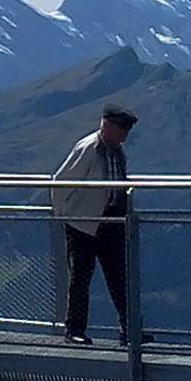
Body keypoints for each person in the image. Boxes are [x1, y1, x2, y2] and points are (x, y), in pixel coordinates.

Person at [51, 104, 140, 346]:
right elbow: (61, 182)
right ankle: (74, 330)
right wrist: (65, 215)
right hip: (84, 223)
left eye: (127, 130)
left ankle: (130, 330)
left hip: (110, 221)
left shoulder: (116, 151)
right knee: (81, 278)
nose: (124, 135)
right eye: (121, 129)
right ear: (106, 125)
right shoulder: (89, 148)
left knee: (119, 278)